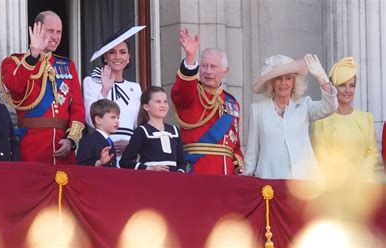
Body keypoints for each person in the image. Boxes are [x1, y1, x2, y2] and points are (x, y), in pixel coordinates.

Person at [0, 11, 85, 165]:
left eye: (59, 32)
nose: (56, 37)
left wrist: (71, 139)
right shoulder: (14, 62)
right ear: (36, 30)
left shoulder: (67, 65)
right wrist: (33, 56)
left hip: (63, 149)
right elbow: (14, 86)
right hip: (32, 146)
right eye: (50, 31)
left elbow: (77, 108)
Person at [243, 54, 338, 180]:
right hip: (269, 181)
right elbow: (252, 152)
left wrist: (323, 79)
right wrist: (247, 177)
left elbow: (330, 107)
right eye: (278, 79)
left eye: (288, 78)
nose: (283, 83)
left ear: (294, 82)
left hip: (302, 183)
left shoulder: (304, 105)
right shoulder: (257, 110)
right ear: (272, 83)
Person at [171, 29, 243, 175]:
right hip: (197, 169)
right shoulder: (192, 93)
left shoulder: (231, 102)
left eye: (213, 67)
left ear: (225, 71)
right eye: (204, 66)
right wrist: (190, 58)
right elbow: (180, 92)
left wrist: (238, 166)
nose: (207, 71)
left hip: (226, 173)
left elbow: (234, 144)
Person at [83, 29, 143, 167]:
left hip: (130, 153)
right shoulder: (92, 82)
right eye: (112, 52)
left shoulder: (135, 88)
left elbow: (139, 125)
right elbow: (90, 119)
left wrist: (133, 145)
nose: (117, 57)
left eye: (122, 52)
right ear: (105, 57)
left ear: (129, 57)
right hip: (103, 150)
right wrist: (104, 90)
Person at [311, 57, 379, 179]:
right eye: (342, 85)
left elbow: (372, 154)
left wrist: (360, 179)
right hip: (334, 187)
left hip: (364, 188)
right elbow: (321, 157)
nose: (348, 90)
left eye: (352, 85)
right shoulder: (320, 121)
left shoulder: (366, 118)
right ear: (333, 87)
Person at [120, 86, 186, 172]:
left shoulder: (174, 130)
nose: (163, 105)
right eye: (158, 102)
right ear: (146, 107)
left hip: (173, 181)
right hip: (150, 180)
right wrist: (148, 168)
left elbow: (182, 162)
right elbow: (125, 161)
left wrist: (180, 173)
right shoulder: (141, 131)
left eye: (165, 102)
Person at [77, 99, 118, 167]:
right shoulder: (88, 140)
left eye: (118, 118)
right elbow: (81, 165)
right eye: (113, 117)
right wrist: (98, 163)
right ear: (98, 120)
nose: (117, 121)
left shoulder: (110, 142)